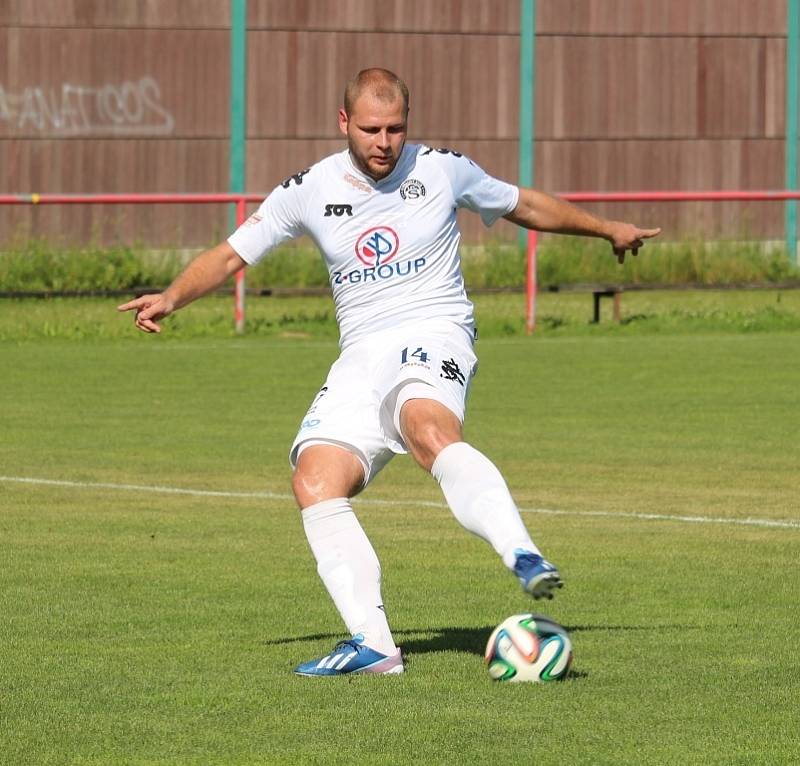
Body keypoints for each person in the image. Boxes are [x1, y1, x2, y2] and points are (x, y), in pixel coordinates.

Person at [119, 68, 660, 677]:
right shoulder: (309, 188)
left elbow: (523, 204)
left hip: (434, 329)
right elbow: (230, 253)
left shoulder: (442, 168)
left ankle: (521, 552)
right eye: (371, 129)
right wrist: (170, 296)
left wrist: (606, 227)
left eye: (396, 128)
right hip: (361, 353)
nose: (384, 142)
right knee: (315, 479)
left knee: (425, 427)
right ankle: (374, 647)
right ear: (344, 123)